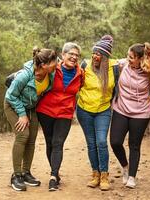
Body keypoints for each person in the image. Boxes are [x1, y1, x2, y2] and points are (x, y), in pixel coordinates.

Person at [4, 47, 57, 191]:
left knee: (32, 138)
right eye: (54, 62)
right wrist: (21, 114)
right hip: (14, 105)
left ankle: (26, 172)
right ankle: (16, 175)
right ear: (43, 65)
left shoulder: (50, 74)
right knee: (23, 135)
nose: (56, 64)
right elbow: (11, 95)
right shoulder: (24, 75)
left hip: (31, 107)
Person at [36, 42, 83, 191]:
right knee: (50, 142)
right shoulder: (52, 69)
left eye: (77, 55)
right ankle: (55, 173)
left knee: (58, 143)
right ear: (63, 55)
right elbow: (36, 75)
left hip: (65, 113)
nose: (74, 57)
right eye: (71, 54)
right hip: (46, 111)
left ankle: (53, 176)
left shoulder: (81, 73)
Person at [110, 42, 150, 189]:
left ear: (140, 59)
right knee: (115, 142)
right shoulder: (123, 65)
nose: (128, 59)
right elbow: (107, 63)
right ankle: (125, 166)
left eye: (131, 57)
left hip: (140, 113)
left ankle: (132, 177)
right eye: (128, 56)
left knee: (134, 146)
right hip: (121, 109)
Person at [76, 35, 117, 191]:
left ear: (106, 56)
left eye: (99, 54)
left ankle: (105, 175)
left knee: (101, 141)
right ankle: (95, 174)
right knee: (91, 143)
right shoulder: (85, 65)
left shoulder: (114, 67)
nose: (95, 56)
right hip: (84, 110)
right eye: (94, 53)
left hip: (103, 110)